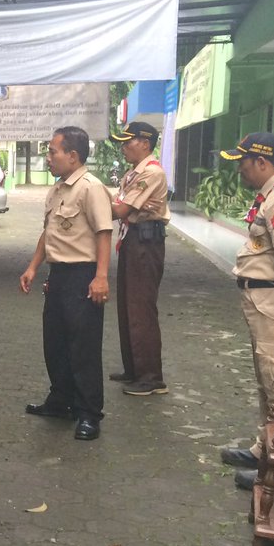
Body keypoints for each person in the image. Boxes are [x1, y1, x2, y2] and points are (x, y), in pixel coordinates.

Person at [213, 133, 274, 490]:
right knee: (269, 381)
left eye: (243, 162)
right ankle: (265, 448)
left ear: (262, 162)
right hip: (268, 306)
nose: (239, 170)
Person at [19, 127, 113, 441]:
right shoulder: (57, 190)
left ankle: (89, 413)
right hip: (58, 276)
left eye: (52, 152)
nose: (48, 158)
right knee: (55, 343)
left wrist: (101, 277)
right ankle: (60, 401)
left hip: (83, 276)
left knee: (83, 347)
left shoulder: (91, 188)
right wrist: (33, 267)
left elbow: (103, 232)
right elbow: (49, 233)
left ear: (72, 156)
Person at [108, 121, 171, 396]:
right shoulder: (133, 174)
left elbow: (120, 209)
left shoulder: (151, 173)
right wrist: (123, 206)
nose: (123, 147)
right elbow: (121, 205)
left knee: (141, 308)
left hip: (146, 242)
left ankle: (150, 377)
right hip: (133, 239)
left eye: (128, 141)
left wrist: (114, 206)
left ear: (145, 143)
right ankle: (134, 368)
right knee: (127, 306)